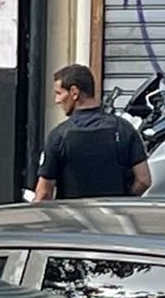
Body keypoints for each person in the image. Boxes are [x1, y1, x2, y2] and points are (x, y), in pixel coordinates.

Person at [34, 64, 152, 201]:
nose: (57, 100)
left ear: (74, 92)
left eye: (59, 93)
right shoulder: (124, 128)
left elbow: (44, 193)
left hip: (73, 219)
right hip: (115, 218)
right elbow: (144, 180)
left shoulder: (58, 136)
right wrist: (123, 200)